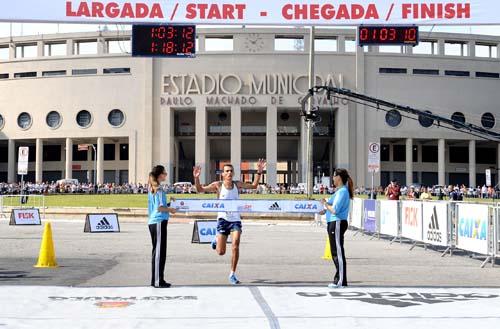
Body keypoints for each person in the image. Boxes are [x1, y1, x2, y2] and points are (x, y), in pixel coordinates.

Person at [193, 159, 266, 285]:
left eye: (231, 171)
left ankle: (232, 273)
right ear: (223, 174)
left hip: (235, 220)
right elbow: (200, 189)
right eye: (227, 171)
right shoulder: (218, 185)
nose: (229, 173)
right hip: (222, 220)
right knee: (221, 252)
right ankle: (216, 239)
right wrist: (197, 178)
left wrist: (259, 172)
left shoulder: (237, 184)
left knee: (235, 245)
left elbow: (253, 186)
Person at [320, 168, 354, 289]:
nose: (332, 179)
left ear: (338, 178)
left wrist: (325, 204)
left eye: (334, 176)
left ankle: (340, 280)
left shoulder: (342, 192)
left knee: (338, 252)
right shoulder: (338, 192)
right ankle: (339, 279)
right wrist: (324, 208)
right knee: (335, 251)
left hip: (337, 222)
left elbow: (335, 210)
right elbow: (330, 206)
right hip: (333, 222)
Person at [148, 165, 177, 288]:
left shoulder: (154, 188)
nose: (166, 175)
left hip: (156, 221)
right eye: (164, 173)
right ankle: (157, 281)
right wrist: (170, 209)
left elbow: (160, 206)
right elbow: (160, 208)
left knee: (160, 251)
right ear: (160, 175)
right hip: (158, 221)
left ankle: (159, 279)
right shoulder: (158, 189)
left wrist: (170, 204)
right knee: (159, 253)